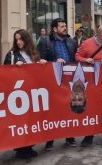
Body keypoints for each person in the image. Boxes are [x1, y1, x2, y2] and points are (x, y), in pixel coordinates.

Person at [4, 29, 47, 159]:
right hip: (19, 93)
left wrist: (42, 64)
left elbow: (38, 72)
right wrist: (13, 68)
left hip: (33, 92)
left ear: (26, 40)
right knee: (20, 121)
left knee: (31, 120)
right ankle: (21, 148)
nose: (18, 42)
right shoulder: (11, 54)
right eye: (16, 39)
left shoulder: (33, 54)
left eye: (21, 39)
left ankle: (29, 146)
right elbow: (4, 73)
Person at [75, 25, 102, 147]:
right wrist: (86, 60)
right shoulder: (87, 44)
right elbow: (77, 57)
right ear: (101, 36)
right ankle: (88, 137)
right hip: (91, 83)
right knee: (92, 108)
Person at [37, 18, 78, 150]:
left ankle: (70, 137)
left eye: (65, 26)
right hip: (52, 80)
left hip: (68, 80)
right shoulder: (45, 42)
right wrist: (54, 62)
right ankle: (50, 140)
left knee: (69, 108)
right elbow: (40, 60)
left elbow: (75, 58)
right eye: (62, 26)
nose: (65, 28)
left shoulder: (71, 42)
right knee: (52, 110)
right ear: (54, 29)